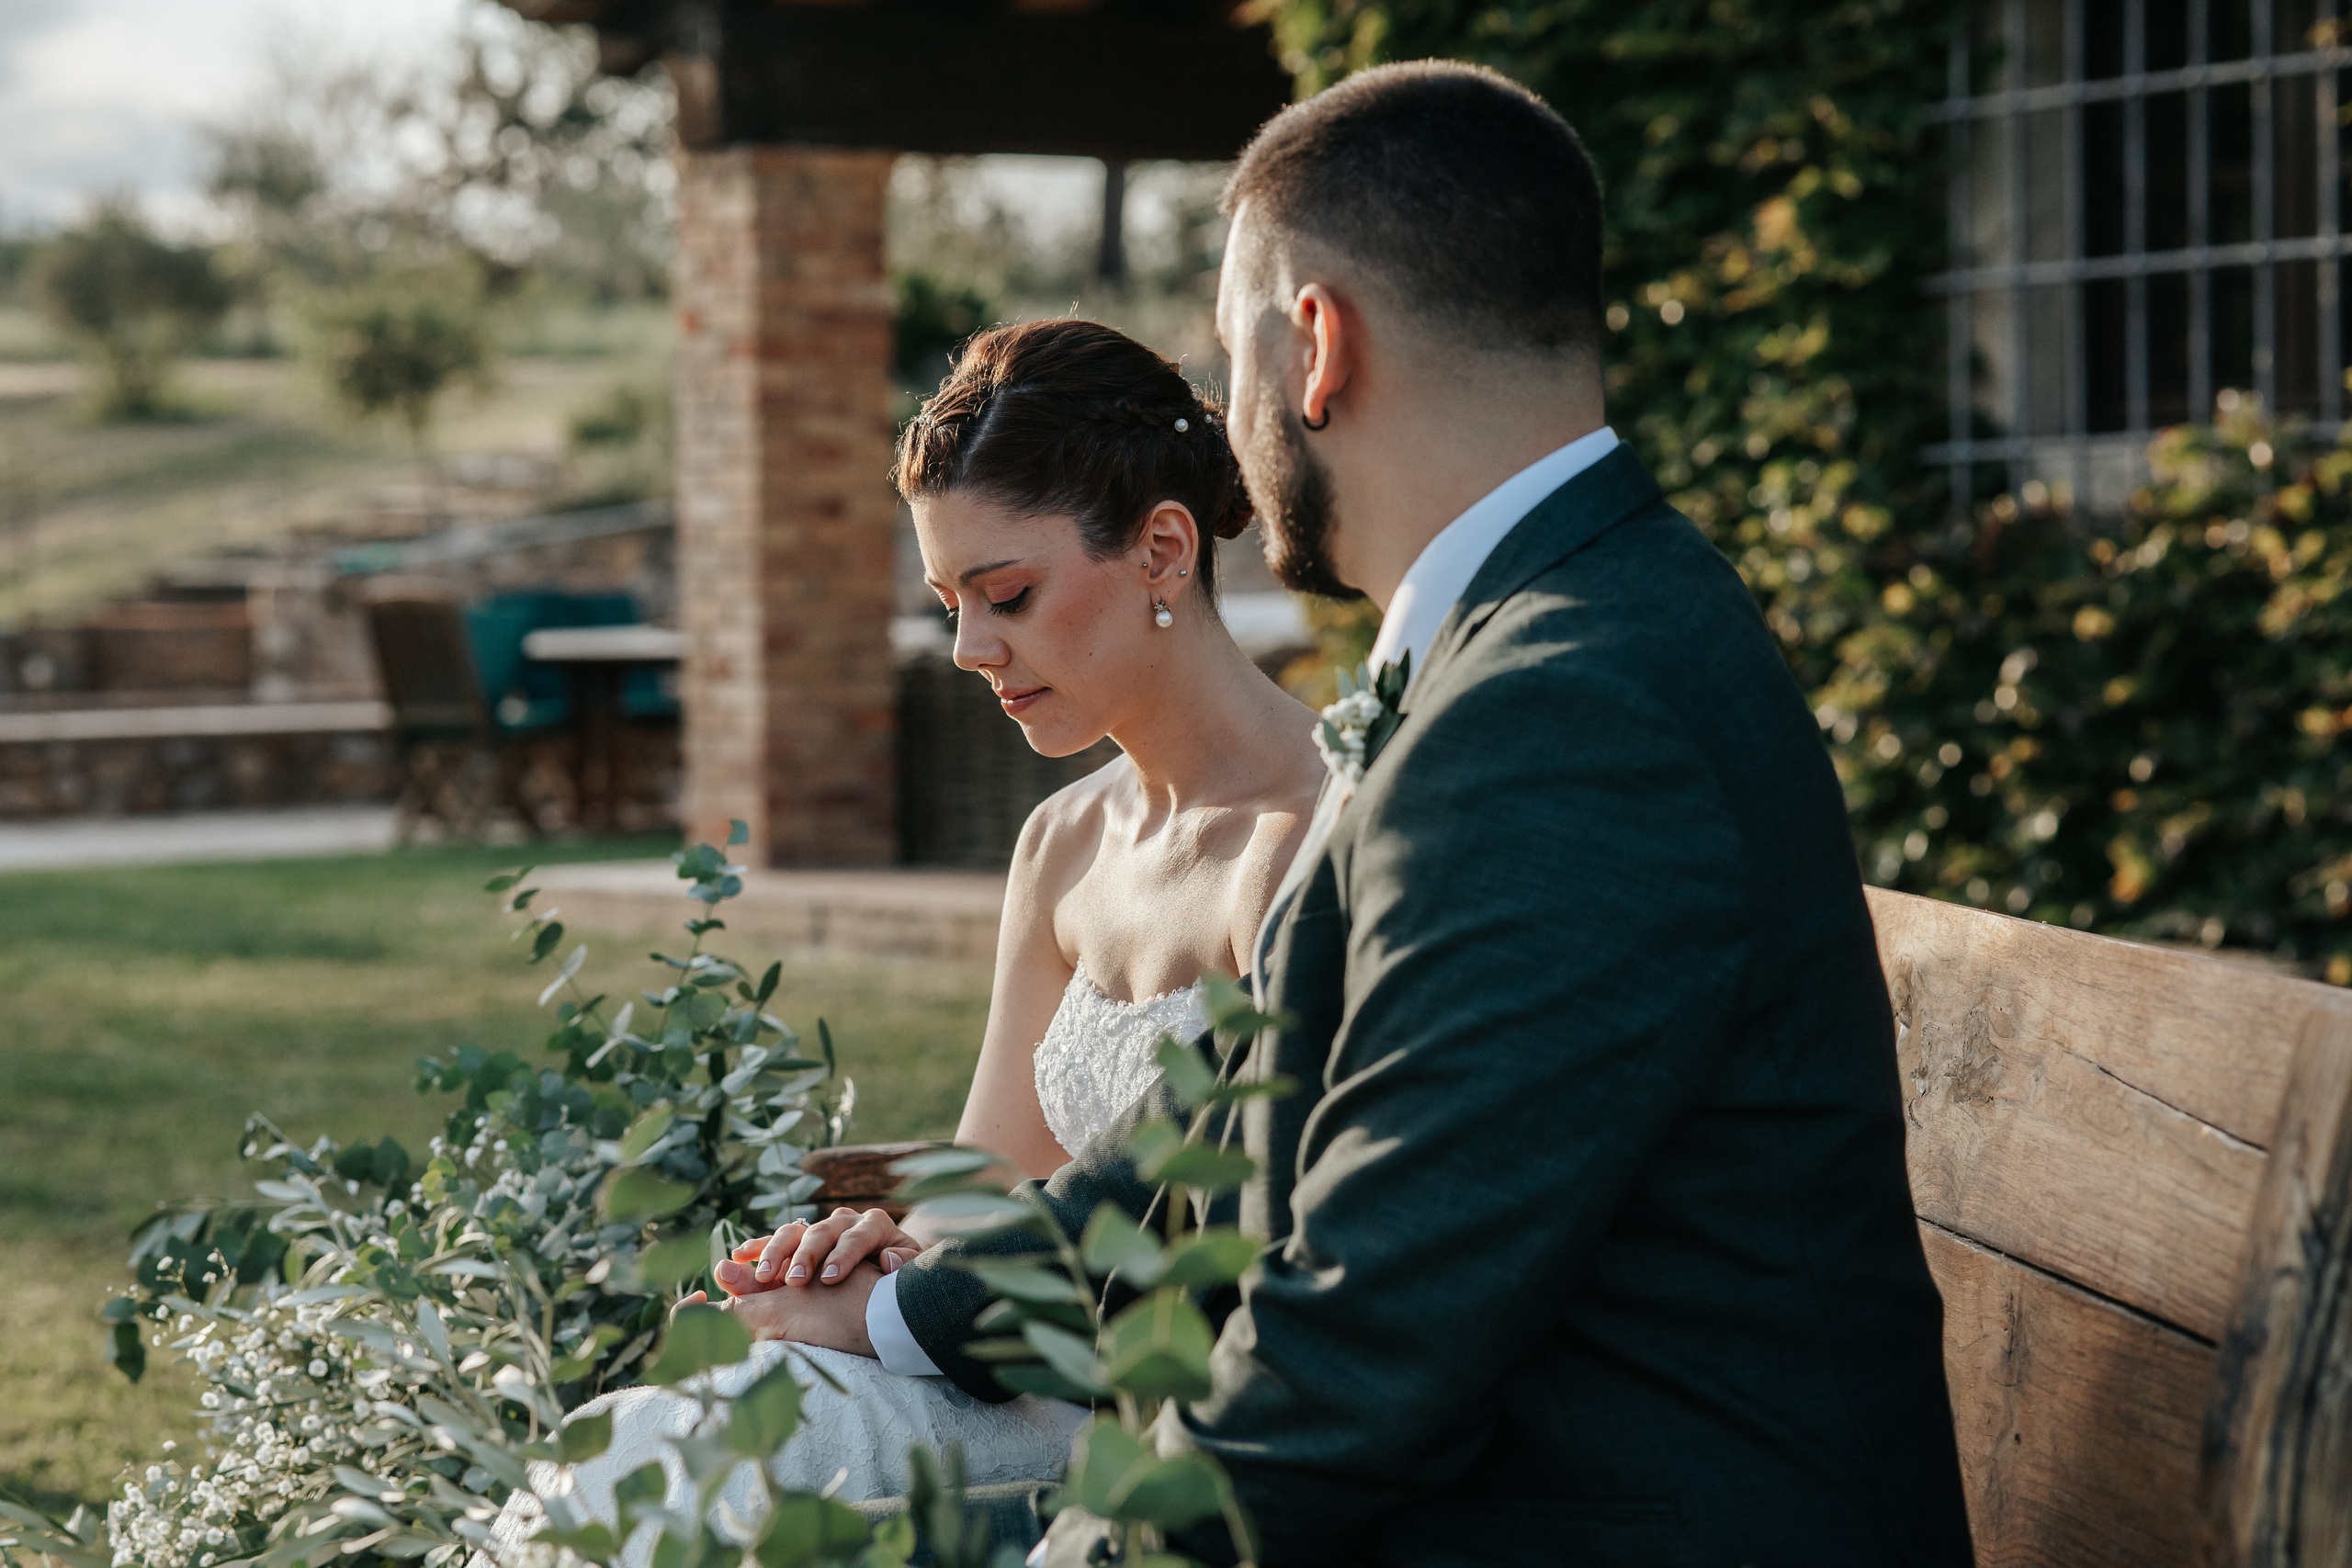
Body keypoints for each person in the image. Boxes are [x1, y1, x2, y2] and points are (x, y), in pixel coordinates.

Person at [723, 61, 1976, 1568]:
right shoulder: (1548, 638)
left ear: (1314, 346)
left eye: (1231, 363)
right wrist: (908, 1310)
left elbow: (1355, 1355)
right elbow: (1249, 1120)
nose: (1230, 420)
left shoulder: (1567, 707)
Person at [484, 320, 1326, 1559]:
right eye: (948, 604)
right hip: (981, 1356)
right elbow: (990, 1183)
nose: (969, 650)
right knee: (620, 1453)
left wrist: (893, 1319)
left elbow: (1245, 1253)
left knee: (697, 1489)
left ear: (1161, 548)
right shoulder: (1061, 846)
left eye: (1008, 596)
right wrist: (869, 1260)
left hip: (1150, 1411)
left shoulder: (1314, 842)